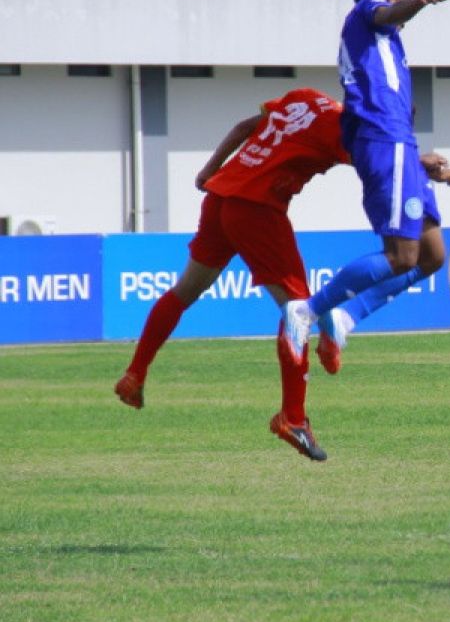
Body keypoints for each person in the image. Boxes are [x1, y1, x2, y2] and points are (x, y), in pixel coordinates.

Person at [113, 87, 350, 462]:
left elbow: (244, 127)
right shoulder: (347, 129)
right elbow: (383, 165)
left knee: (185, 291)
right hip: (257, 208)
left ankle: (135, 374)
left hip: (221, 196)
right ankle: (293, 417)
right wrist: (425, 167)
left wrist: (209, 170)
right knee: (298, 311)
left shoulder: (305, 97)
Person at [281, 0, 450, 365]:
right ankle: (306, 311)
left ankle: (344, 316)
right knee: (401, 256)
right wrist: (421, 1)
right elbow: (385, 13)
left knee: (431, 255)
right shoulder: (368, 12)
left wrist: (418, 161)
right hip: (385, 138)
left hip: (399, 144)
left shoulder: (384, 47)